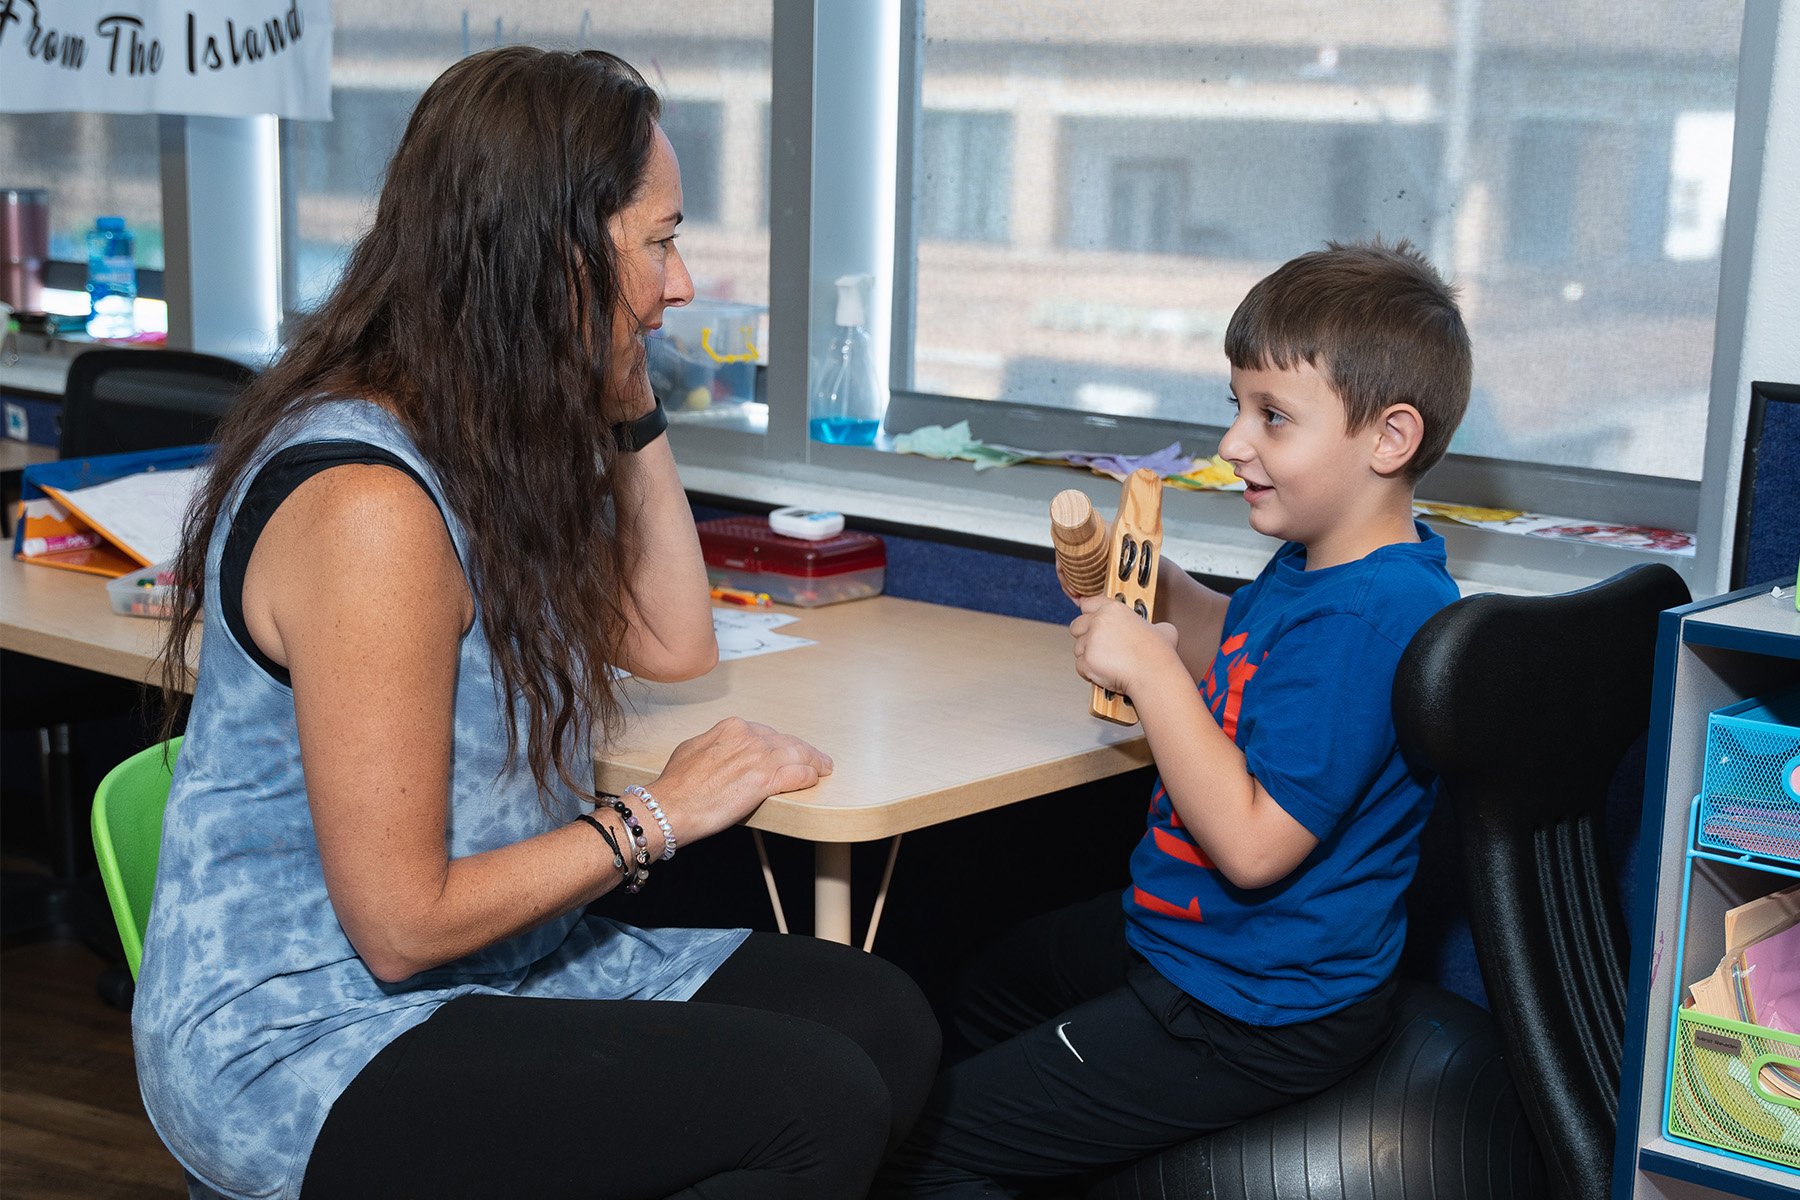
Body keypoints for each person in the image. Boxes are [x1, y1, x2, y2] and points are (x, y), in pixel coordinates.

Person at [136, 46, 938, 1200]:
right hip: (313, 1030)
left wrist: (628, 388)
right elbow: (402, 928)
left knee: (881, 1022)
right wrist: (657, 815)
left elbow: (673, 640)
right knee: (814, 1103)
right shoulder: (369, 506)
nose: (686, 280)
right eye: (659, 242)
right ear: (553, 254)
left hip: (506, 961)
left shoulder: (490, 437)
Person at [874, 240, 1471, 1197]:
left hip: (1251, 1007)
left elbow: (1253, 845)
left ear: (1390, 438)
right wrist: (1147, 582)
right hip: (1188, 940)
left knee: (923, 1157)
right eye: (1237, 407)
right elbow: (1241, 642)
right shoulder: (1329, 563)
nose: (1235, 443)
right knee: (986, 984)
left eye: (1272, 417)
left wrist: (1153, 679)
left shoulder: (1370, 618)